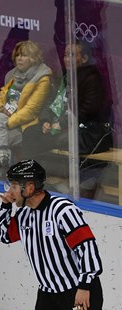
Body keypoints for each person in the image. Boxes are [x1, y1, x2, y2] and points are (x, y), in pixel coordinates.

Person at [0, 160, 111, 310]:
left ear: (30, 187)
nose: (9, 190)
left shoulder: (62, 210)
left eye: (14, 186)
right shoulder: (24, 215)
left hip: (78, 292)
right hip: (48, 296)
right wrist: (5, 206)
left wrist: (84, 286)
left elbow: (87, 247)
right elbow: (4, 234)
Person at [21, 41, 111, 198]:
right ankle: (30, 179)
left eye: (72, 55)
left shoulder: (92, 78)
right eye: (65, 55)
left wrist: (60, 123)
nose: (67, 59)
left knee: (64, 139)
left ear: (84, 58)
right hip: (59, 126)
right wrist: (46, 121)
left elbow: (87, 111)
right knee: (30, 133)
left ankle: (76, 185)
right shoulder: (62, 76)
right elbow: (50, 102)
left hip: (87, 131)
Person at [0, 40, 51, 171]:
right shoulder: (12, 75)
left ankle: (6, 171)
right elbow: (2, 96)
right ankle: (6, 168)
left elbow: (31, 110)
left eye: (24, 55)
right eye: (17, 55)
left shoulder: (42, 77)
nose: (19, 58)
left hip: (28, 127)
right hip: (10, 122)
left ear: (34, 58)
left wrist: (7, 123)